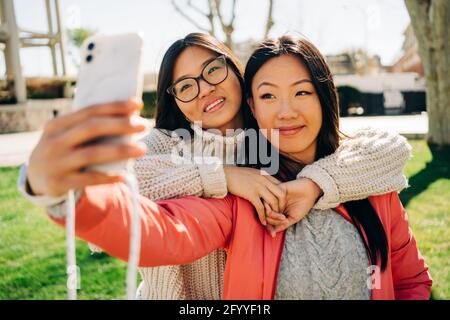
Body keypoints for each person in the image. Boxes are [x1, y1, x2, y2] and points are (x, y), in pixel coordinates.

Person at [19, 34, 427, 299]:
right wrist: (61, 187)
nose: (206, 89)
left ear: (236, 72)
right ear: (175, 99)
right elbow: (147, 216)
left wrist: (315, 185)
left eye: (213, 70)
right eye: (186, 86)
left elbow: (385, 149)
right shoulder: (183, 155)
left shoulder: (279, 148)